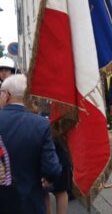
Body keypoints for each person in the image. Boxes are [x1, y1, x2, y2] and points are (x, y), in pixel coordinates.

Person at [0, 74, 62, 213]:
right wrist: (49, 178)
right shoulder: (41, 124)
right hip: (29, 203)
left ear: (7, 95)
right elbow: (52, 168)